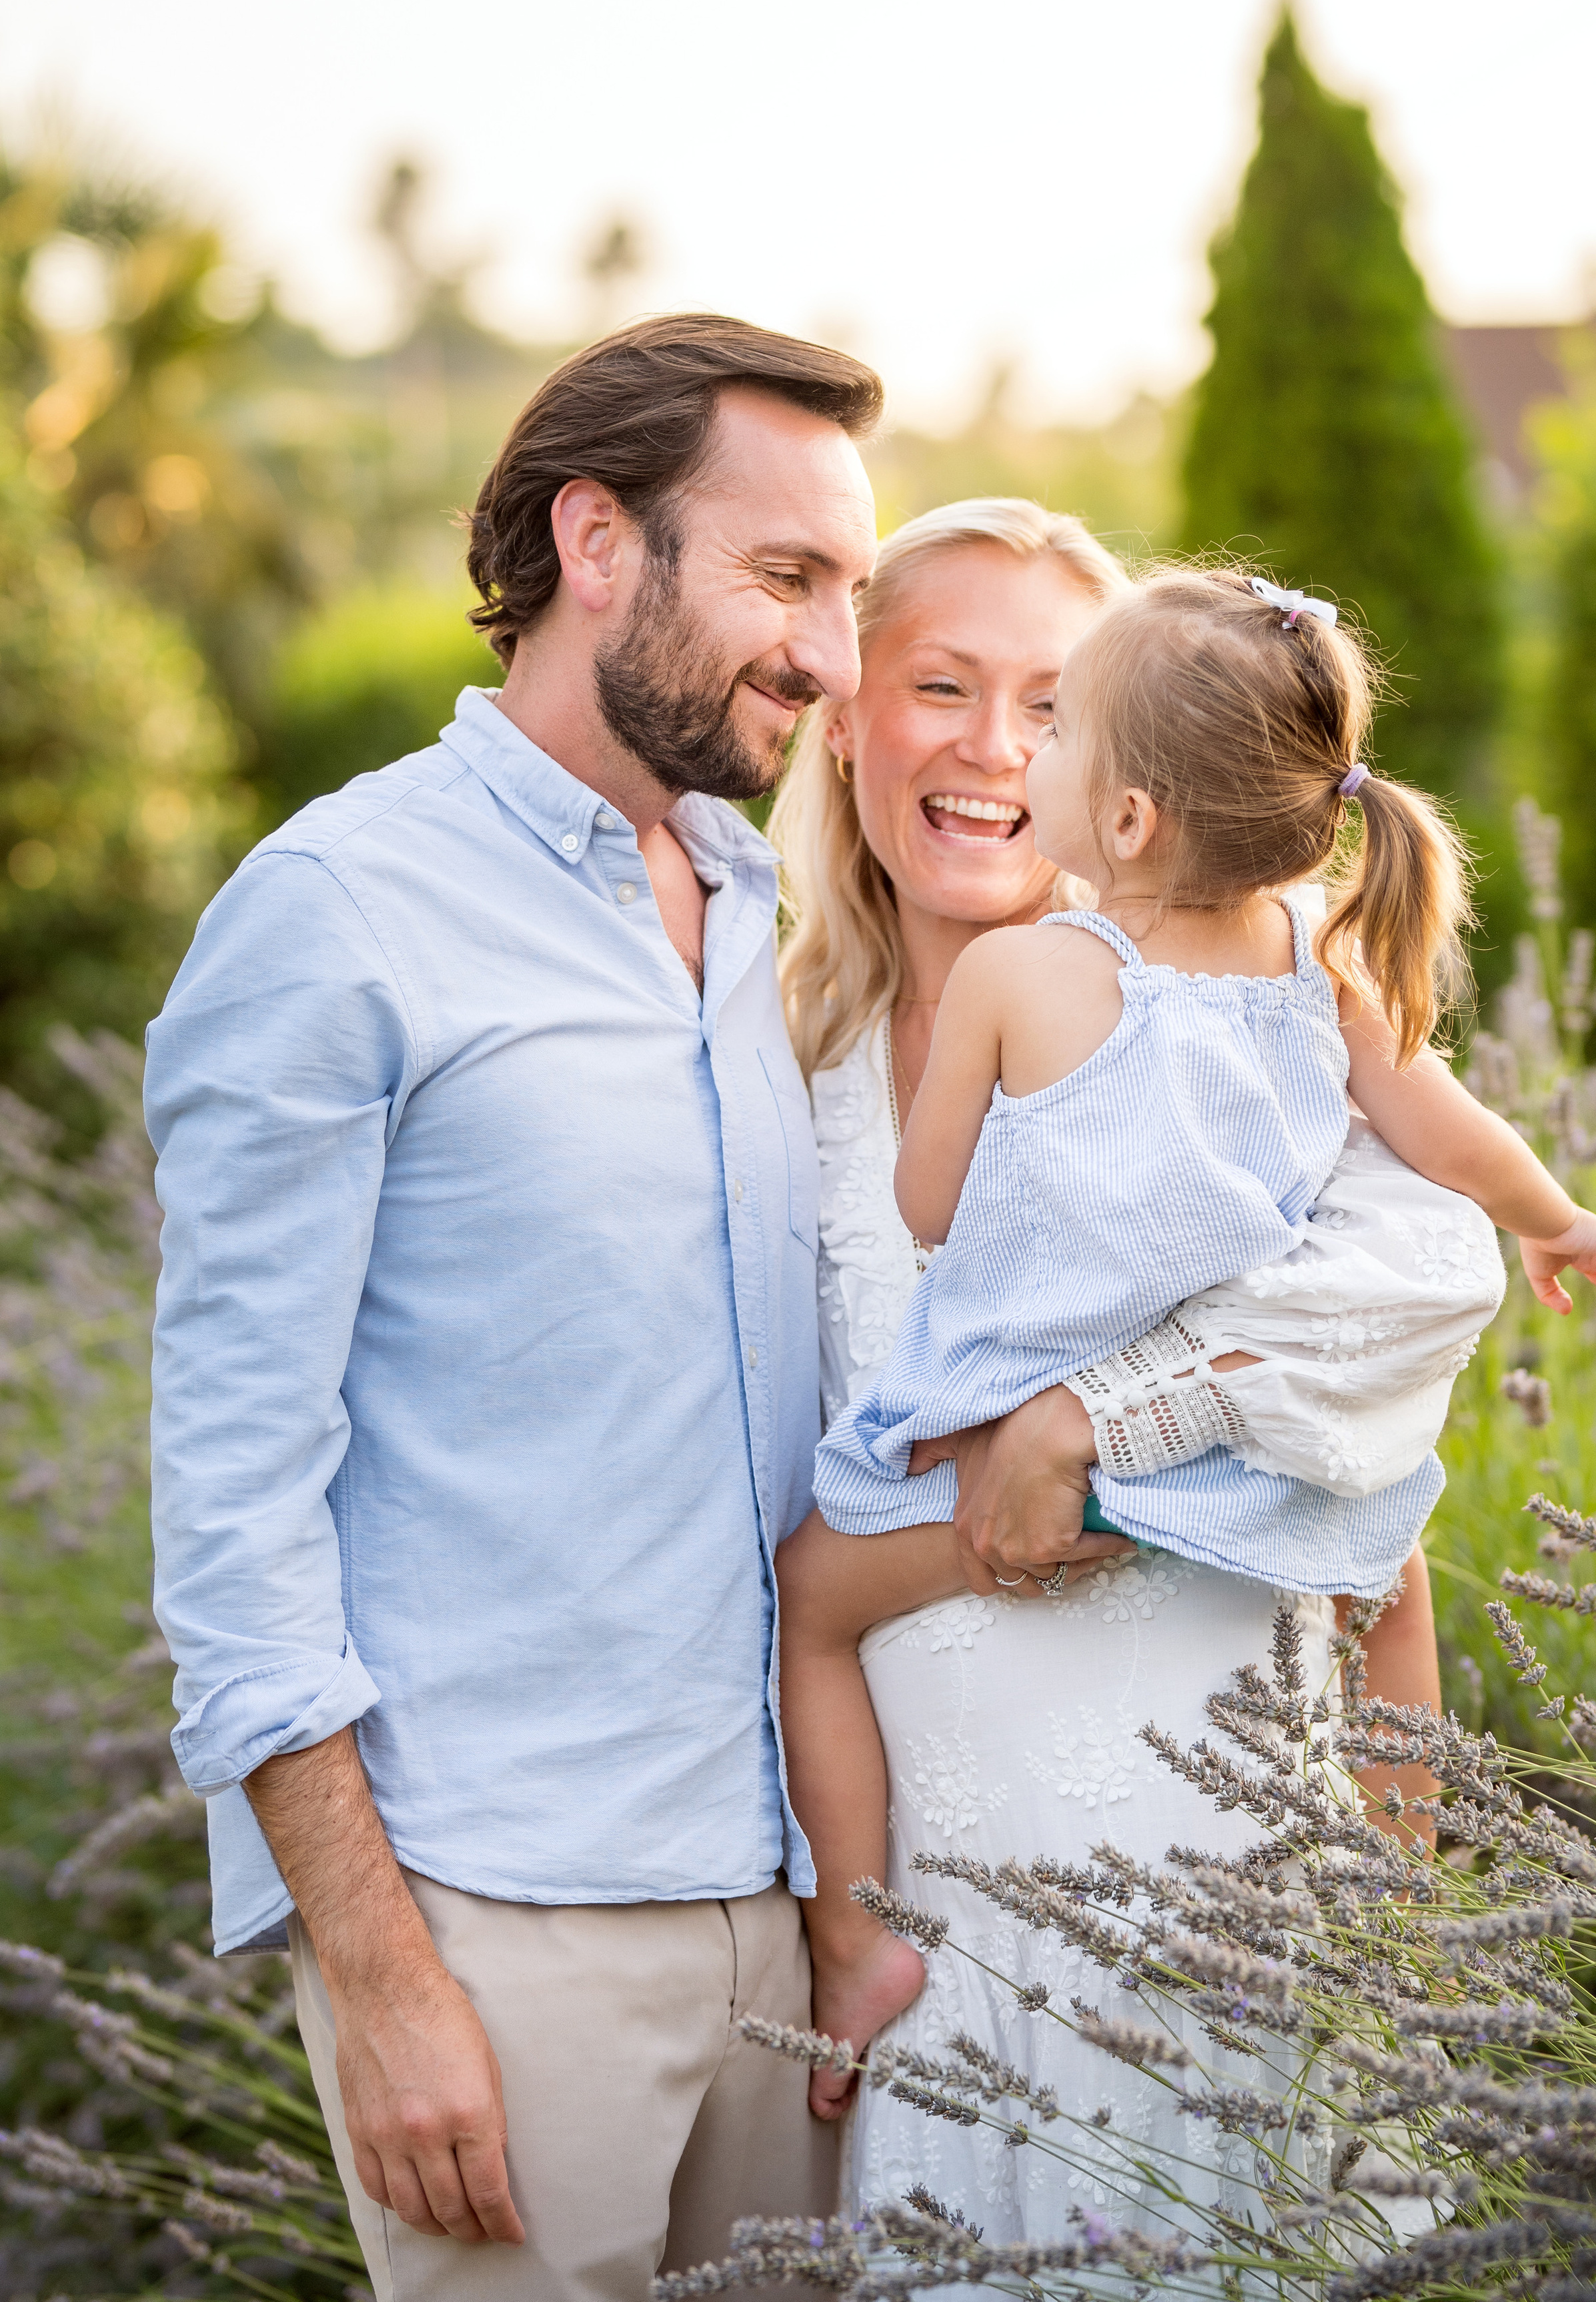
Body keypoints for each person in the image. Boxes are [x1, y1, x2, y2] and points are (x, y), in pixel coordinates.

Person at [770, 535, 1596, 2235]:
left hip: (1233, 1832)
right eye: (944, 688)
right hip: (969, 1910)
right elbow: (1459, 1159)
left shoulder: (1062, 990)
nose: (1009, 750)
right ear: (843, 721)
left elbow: (1366, 1484)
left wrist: (1087, 1430)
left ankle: (856, 1937)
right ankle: (856, 1941)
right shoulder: (762, 1062)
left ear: (1129, 806)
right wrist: (1560, 1213)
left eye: (1055, 709)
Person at [145, 313, 882, 2302]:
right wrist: (381, 1978)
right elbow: (232, 1512)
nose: (829, 654)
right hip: (500, 1918)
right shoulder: (337, 913)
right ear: (598, 542)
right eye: (787, 577)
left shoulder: (762, 914)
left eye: (852, 589)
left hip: (789, 1909)